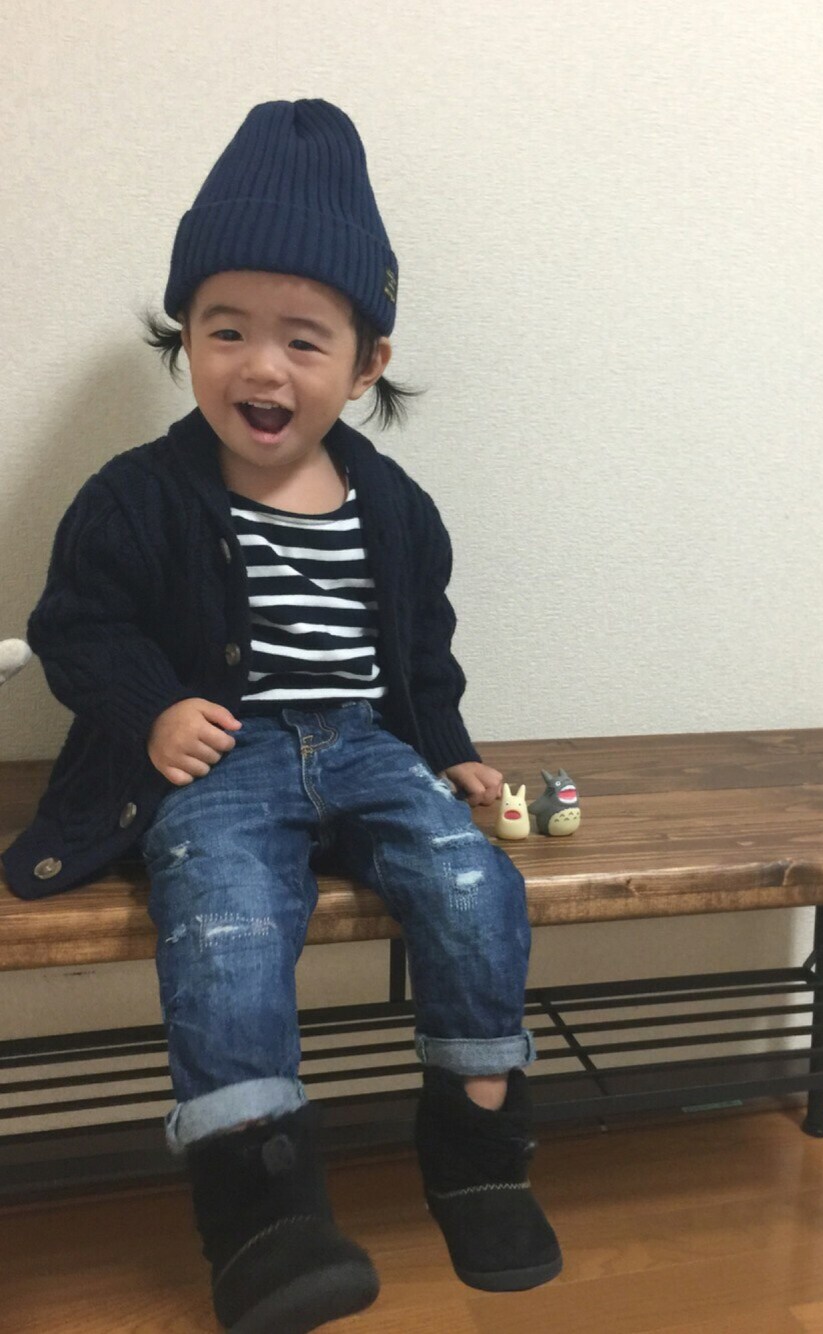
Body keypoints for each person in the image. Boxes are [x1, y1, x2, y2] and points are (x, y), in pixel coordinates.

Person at [2, 99, 561, 1331]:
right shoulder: (135, 495)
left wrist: (451, 750)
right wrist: (154, 710)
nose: (260, 367)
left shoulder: (394, 506)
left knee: (474, 884)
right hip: (225, 759)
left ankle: (477, 1153)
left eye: (303, 340)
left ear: (365, 364)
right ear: (184, 340)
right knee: (225, 922)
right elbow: (76, 625)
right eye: (225, 330)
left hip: (366, 743)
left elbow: (421, 647)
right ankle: (261, 1210)